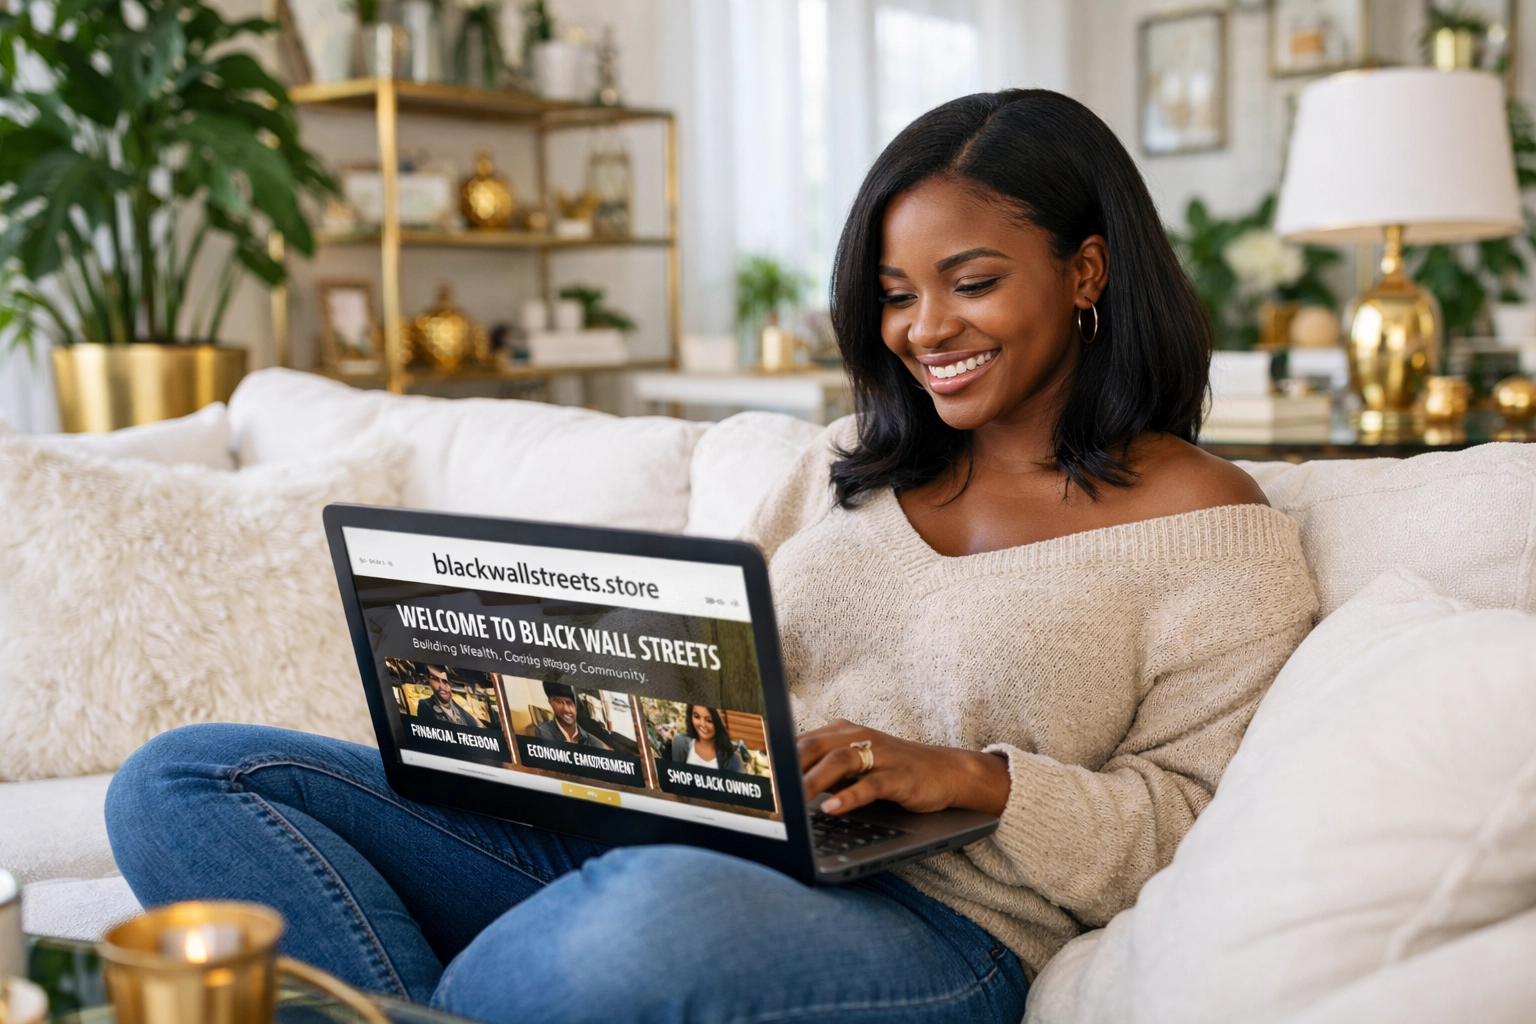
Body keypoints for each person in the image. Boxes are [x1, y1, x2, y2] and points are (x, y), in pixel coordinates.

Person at [104, 90, 1317, 1024]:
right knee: (185, 780)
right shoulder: (844, 464)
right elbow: (714, 671)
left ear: (1088, 268)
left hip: (935, 922)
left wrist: (977, 778)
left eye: (973, 282)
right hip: (672, 834)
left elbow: (1187, 823)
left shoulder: (1214, 529)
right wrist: (579, 702)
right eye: (895, 294)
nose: (924, 329)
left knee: (633, 925)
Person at [531, 682, 610, 749]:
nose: (566, 709)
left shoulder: (597, 744)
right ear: (551, 702)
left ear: (575, 706)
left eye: (569, 703)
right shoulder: (545, 731)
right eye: (558, 702)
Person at [669, 704, 746, 773]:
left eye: (709, 720)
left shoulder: (733, 760)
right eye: (696, 716)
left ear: (720, 723)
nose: (702, 724)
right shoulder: (679, 742)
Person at [413, 666, 484, 729]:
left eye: (445, 682)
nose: (442, 686)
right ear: (428, 680)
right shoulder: (425, 706)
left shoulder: (467, 717)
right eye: (435, 679)